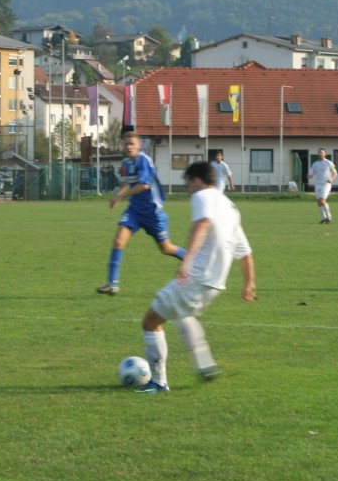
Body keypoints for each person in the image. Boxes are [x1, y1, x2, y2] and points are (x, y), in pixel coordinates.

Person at [136, 160, 256, 393]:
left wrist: (187, 262)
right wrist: (249, 283)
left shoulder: (202, 198)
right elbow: (245, 251)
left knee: (150, 322)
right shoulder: (230, 206)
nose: (188, 190)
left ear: (197, 181)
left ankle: (159, 382)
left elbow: (202, 223)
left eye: (188, 184)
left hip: (196, 277)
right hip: (216, 284)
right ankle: (205, 365)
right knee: (182, 314)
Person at [97, 132, 186, 295]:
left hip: (153, 213)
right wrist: (118, 194)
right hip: (134, 212)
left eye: (132, 144)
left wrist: (121, 196)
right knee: (118, 241)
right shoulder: (127, 162)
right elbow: (129, 181)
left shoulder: (144, 160)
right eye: (126, 144)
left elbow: (144, 185)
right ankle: (112, 284)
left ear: (139, 146)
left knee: (166, 248)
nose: (129, 146)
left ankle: (191, 260)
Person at [306, 148, 337, 224]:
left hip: (326, 184)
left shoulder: (328, 163)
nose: (320, 154)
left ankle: (329, 217)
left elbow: (335, 172)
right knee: (318, 202)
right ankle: (323, 218)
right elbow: (311, 174)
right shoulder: (315, 163)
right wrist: (309, 176)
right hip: (318, 184)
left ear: (325, 154)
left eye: (322, 153)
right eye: (319, 152)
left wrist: (331, 179)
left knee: (322, 200)